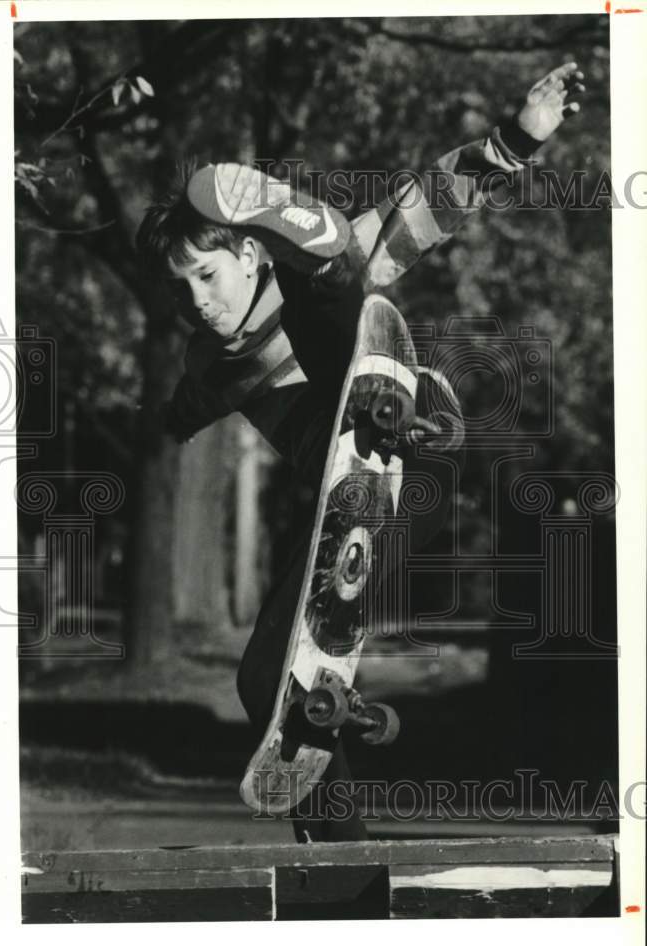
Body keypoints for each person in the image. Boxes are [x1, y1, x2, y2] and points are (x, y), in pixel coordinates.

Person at [136, 62, 585, 842]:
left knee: (331, 284)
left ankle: (329, 276)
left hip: (416, 448)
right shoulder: (206, 365)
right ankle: (339, 856)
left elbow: (426, 207)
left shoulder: (292, 277)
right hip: (353, 512)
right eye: (181, 290)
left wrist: (514, 141)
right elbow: (181, 410)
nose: (199, 302)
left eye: (207, 276)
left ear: (250, 253)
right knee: (267, 682)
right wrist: (169, 420)